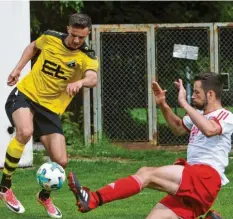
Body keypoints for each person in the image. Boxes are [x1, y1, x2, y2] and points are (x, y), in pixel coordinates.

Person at [68, 72, 231, 219]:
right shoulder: (199, 114)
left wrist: (183, 102)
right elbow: (178, 127)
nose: (192, 96)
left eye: (196, 92)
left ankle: (93, 199)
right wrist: (162, 103)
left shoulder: (225, 115)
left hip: (205, 177)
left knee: (146, 173)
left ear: (210, 94)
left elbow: (210, 130)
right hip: (193, 181)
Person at [0, 13, 98, 218]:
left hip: (51, 109)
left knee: (61, 161)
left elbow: (92, 77)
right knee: (25, 131)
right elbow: (33, 47)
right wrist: (18, 69)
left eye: (82, 37)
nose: (77, 40)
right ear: (68, 29)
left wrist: (80, 82)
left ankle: (44, 196)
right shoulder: (51, 37)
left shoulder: (87, 56)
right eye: (74, 35)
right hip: (25, 95)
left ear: (87, 34)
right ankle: (5, 186)